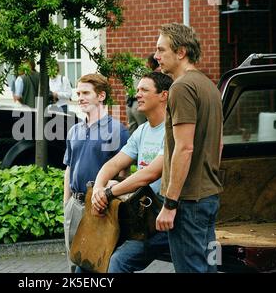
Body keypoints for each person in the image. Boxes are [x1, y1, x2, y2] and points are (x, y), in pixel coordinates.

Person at [154, 23, 223, 273]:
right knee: (210, 267)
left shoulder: (181, 87)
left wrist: (170, 205)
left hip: (188, 202)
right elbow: (219, 144)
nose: (156, 56)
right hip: (208, 197)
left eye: (161, 50)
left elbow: (184, 148)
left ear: (181, 52)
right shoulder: (209, 86)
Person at [92, 72, 173, 273]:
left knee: (118, 263)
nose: (138, 94)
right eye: (137, 90)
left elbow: (149, 174)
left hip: (163, 216)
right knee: (90, 257)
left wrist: (110, 192)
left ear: (164, 95)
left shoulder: (172, 131)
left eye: (144, 90)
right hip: (140, 215)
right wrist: (98, 187)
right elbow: (113, 164)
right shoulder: (142, 130)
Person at [63, 73, 130, 273]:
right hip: (74, 206)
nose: (80, 97)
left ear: (101, 96)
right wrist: (66, 203)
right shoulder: (74, 130)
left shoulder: (118, 130)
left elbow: (124, 175)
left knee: (97, 266)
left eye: (85, 93)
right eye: (78, 93)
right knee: (74, 265)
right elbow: (69, 168)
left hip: (100, 208)